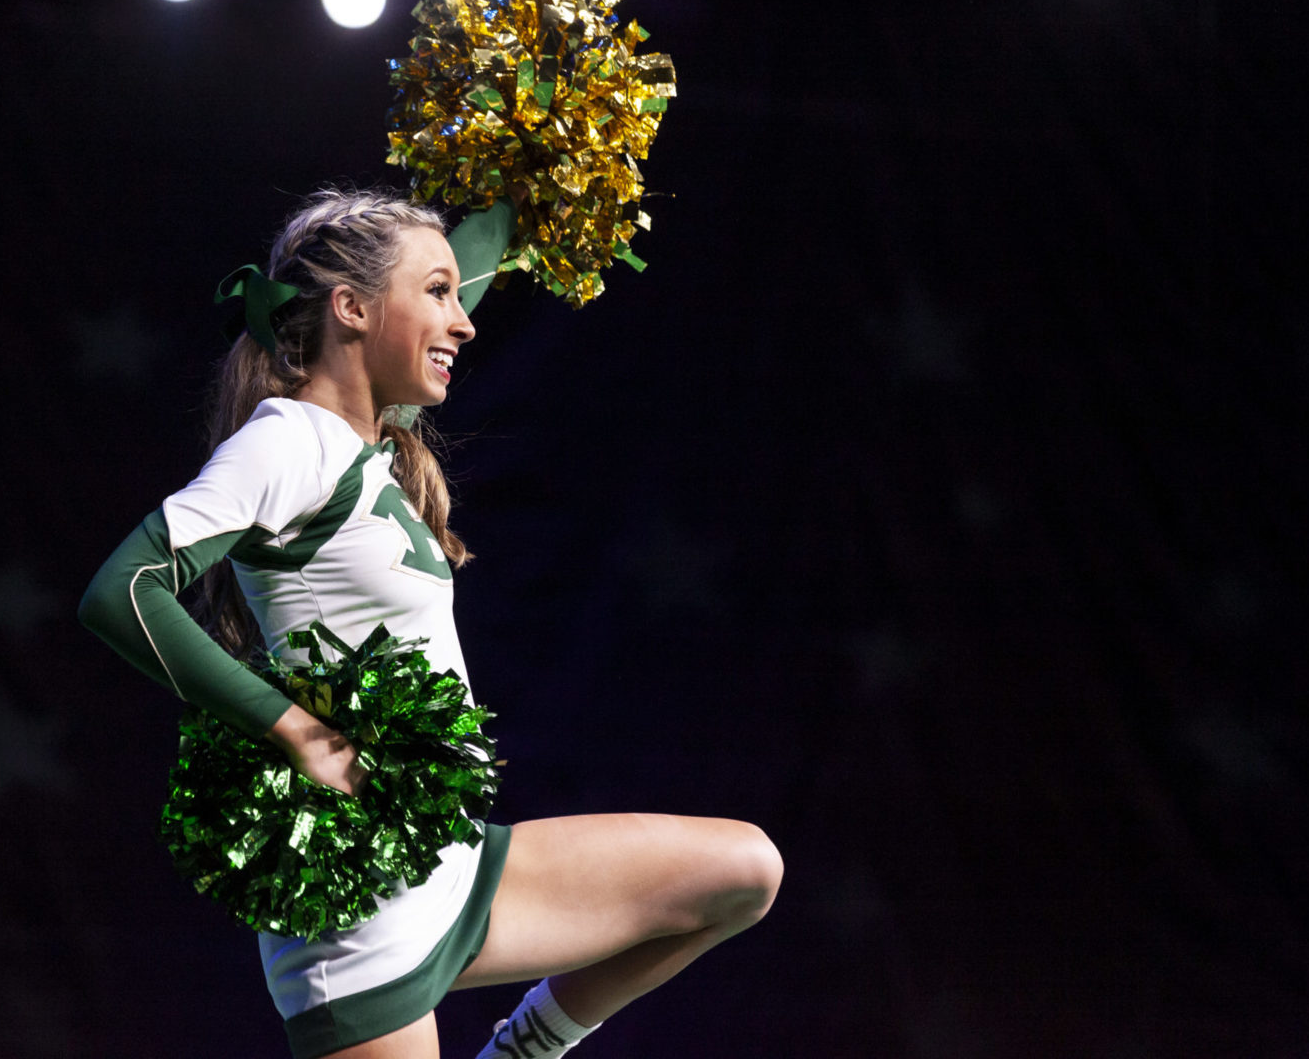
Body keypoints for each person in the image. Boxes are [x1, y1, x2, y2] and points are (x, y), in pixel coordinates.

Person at [78, 186, 782, 1058]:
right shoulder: (289, 442)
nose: (466, 320)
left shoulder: (362, 435)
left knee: (743, 871)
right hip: (359, 916)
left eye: (459, 292)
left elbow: (478, 251)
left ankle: (524, 1048)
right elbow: (123, 589)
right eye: (438, 295)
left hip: (450, 864)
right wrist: (294, 729)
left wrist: (546, 137)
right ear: (352, 308)